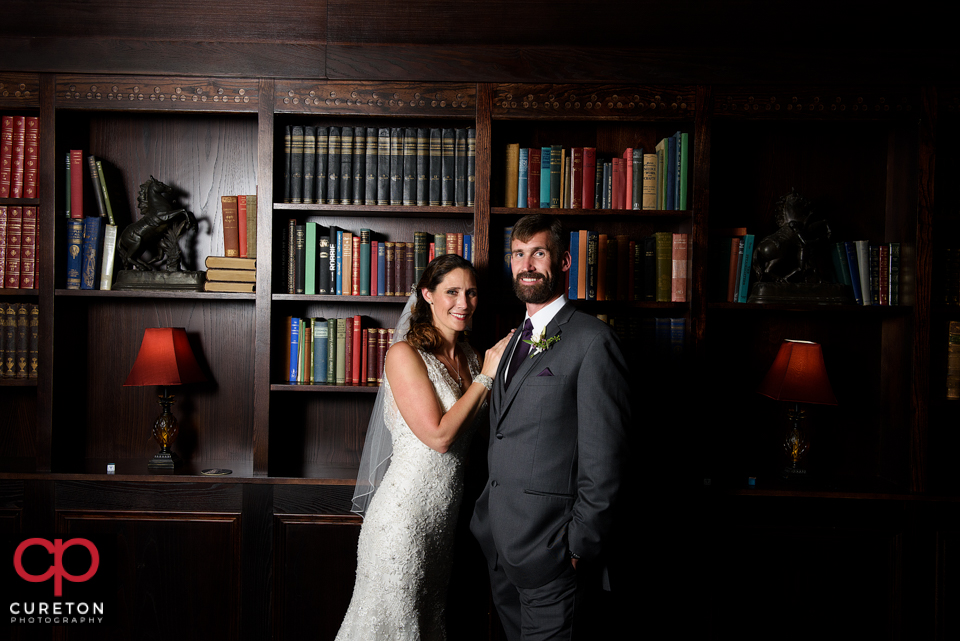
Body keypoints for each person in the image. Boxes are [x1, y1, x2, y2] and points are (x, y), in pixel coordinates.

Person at [336, 253, 514, 641]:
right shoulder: (404, 355)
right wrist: (487, 376)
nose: (463, 303)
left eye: (471, 293)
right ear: (427, 295)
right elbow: (438, 436)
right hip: (401, 522)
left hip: (443, 524)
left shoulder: (467, 355)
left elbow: (479, 436)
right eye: (451, 292)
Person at [470, 213, 631, 640]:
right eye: (518, 254)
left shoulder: (593, 340)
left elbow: (606, 458)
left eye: (537, 253)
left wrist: (578, 546)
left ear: (562, 261)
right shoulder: (512, 339)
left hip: (552, 550)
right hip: (500, 544)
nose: (526, 265)